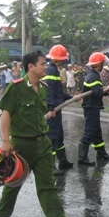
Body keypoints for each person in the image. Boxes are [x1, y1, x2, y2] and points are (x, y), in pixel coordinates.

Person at [0, 50, 80, 217]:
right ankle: (4, 214)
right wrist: (5, 141)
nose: (45, 67)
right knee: (14, 182)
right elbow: (5, 114)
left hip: (42, 144)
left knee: (47, 184)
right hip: (21, 145)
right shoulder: (16, 87)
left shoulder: (43, 87)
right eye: (42, 64)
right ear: (31, 67)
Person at [78, 52, 109, 166]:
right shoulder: (93, 76)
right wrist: (105, 90)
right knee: (89, 132)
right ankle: (82, 158)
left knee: (97, 132)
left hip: (93, 107)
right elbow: (97, 93)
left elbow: (98, 91)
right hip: (91, 107)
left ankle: (101, 153)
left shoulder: (93, 75)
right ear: (99, 64)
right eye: (102, 64)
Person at [43, 45, 74, 175]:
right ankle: (50, 166)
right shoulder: (51, 70)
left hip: (56, 107)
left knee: (59, 135)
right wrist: (51, 109)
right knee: (52, 136)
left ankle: (63, 161)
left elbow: (58, 92)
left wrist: (71, 97)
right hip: (53, 109)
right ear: (60, 59)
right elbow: (49, 91)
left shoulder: (53, 69)